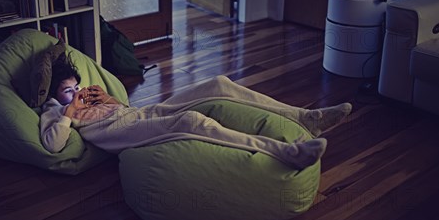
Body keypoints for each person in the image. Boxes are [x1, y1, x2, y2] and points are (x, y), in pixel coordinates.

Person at [40, 55, 352, 170]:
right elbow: (53, 144)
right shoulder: (56, 112)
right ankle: (287, 153)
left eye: (77, 86)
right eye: (68, 90)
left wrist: (110, 100)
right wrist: (70, 111)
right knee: (192, 121)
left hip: (143, 113)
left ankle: (306, 117)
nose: (77, 93)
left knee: (218, 83)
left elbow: (126, 111)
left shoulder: (88, 97)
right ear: (55, 96)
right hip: (127, 134)